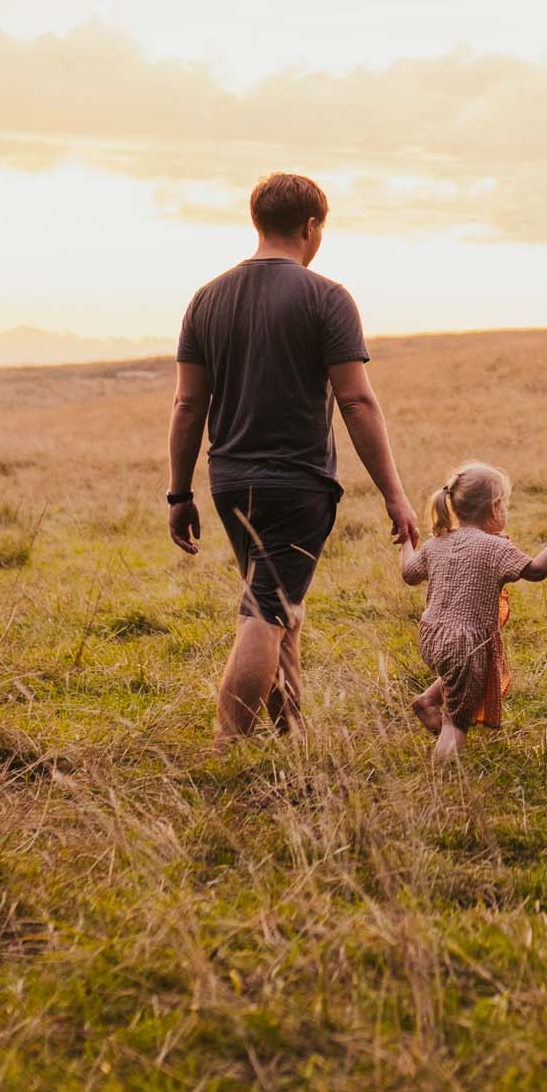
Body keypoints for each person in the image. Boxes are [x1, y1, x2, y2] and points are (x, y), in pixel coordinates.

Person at [167, 172, 419, 740]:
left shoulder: (206, 299)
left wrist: (179, 494)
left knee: (280, 606)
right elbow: (356, 400)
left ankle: (292, 738)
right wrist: (395, 495)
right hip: (297, 484)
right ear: (311, 227)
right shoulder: (327, 297)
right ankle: (228, 748)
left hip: (229, 480)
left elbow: (187, 405)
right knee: (266, 612)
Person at [400, 463, 547, 762]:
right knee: (457, 720)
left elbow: (409, 574)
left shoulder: (436, 543)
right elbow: (538, 570)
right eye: (506, 504)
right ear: (495, 507)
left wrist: (406, 544)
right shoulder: (494, 548)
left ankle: (427, 701)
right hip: (466, 642)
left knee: (457, 672)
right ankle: (444, 780)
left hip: (431, 635)